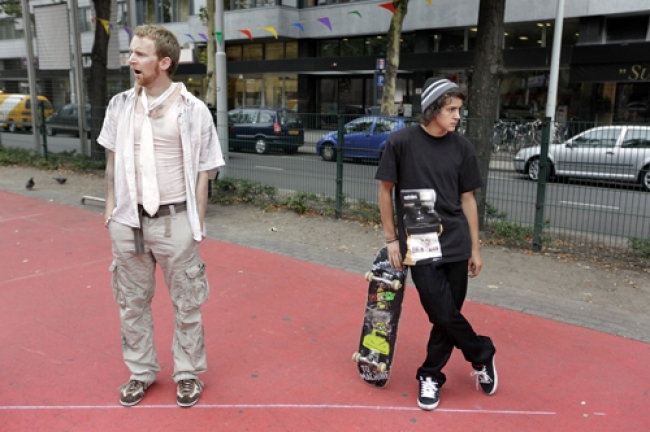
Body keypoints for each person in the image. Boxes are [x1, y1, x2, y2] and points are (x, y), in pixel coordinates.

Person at [98, 24, 225, 408]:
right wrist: (110, 213)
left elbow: (204, 173)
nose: (131, 60)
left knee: (187, 304)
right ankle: (140, 372)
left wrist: (196, 225)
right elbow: (111, 164)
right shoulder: (119, 105)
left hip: (175, 221)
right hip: (127, 222)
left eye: (140, 54)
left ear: (164, 62)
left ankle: (187, 373)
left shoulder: (193, 110)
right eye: (131, 52)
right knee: (131, 304)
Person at [375, 77, 497, 411]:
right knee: (440, 310)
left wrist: (475, 248)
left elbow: (468, 199)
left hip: (456, 242)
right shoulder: (401, 142)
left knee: (448, 314)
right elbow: (385, 191)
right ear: (432, 109)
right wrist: (391, 239)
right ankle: (482, 352)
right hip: (420, 240)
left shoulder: (462, 148)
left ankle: (430, 374)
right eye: (451, 109)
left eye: (459, 109)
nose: (458, 116)